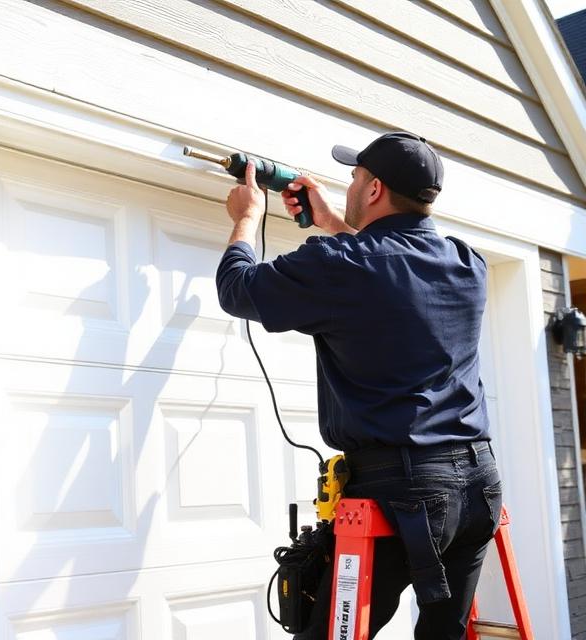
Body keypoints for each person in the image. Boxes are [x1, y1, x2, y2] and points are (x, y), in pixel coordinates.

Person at [215, 132, 502, 640]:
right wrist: (333, 223)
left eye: (355, 176)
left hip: (403, 492)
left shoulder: (339, 265)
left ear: (373, 190)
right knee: (444, 635)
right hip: (478, 485)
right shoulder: (468, 263)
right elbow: (391, 269)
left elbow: (238, 290)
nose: (349, 183)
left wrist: (247, 216)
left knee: (330, 634)